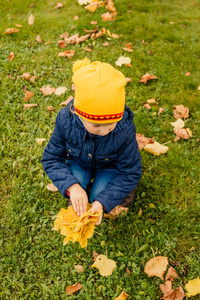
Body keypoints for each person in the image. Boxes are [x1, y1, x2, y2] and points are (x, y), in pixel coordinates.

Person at [42, 58, 142, 225]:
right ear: (79, 115)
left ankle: (115, 196)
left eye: (111, 123)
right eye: (96, 125)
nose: (104, 131)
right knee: (76, 188)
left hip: (110, 166)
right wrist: (72, 186)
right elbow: (51, 158)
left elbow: (130, 172)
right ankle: (80, 188)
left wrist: (102, 203)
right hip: (79, 162)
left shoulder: (124, 130)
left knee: (99, 197)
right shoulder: (66, 121)